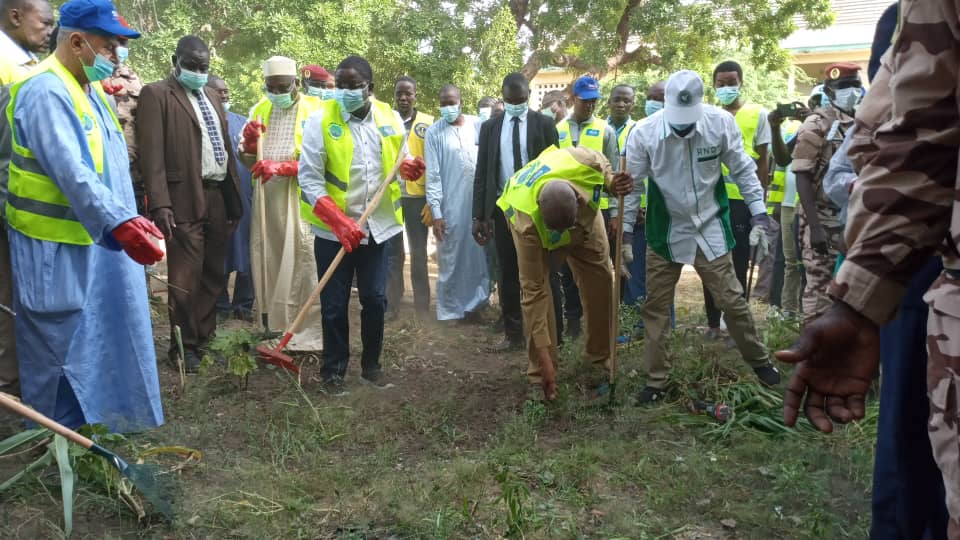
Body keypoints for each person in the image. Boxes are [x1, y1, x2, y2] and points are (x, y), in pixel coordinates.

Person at [776, 0, 959, 535]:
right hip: (915, 260)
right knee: (909, 448)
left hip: (913, 259)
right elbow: (906, 146)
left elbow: (916, 138)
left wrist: (858, 301)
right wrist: (858, 300)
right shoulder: (816, 124)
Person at [6, 0, 165, 430]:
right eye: (109, 47)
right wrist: (121, 223)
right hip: (52, 246)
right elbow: (71, 172)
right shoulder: (44, 90)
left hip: (89, 239)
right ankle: (49, 440)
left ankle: (91, 426)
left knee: (96, 335)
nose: (116, 56)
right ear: (77, 42)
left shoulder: (86, 89)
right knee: (56, 348)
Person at [623, 70, 780, 404]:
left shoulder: (720, 123)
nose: (683, 128)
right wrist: (624, 234)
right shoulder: (644, 133)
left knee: (733, 301)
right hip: (665, 232)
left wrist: (759, 213)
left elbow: (742, 169)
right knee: (656, 308)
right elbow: (633, 186)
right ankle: (656, 381)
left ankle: (760, 362)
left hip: (711, 225)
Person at [298, 55, 422, 394]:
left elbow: (399, 158)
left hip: (377, 227)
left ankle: (372, 368)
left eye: (354, 86)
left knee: (375, 299)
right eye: (341, 85)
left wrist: (408, 168)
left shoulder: (389, 116)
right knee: (335, 304)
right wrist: (339, 222)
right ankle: (333, 373)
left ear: (371, 88)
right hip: (332, 230)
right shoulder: (320, 120)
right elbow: (308, 180)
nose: (346, 92)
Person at [138, 35, 244, 372]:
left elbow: (224, 147)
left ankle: (205, 337)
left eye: (204, 67)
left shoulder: (212, 95)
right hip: (182, 198)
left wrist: (232, 201)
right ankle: (182, 348)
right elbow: (151, 155)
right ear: (176, 60)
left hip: (217, 195)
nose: (198, 72)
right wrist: (160, 205)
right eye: (192, 66)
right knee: (185, 278)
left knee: (214, 272)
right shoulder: (156, 95)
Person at [498, 145, 633, 400]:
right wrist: (545, 355)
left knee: (602, 281)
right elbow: (533, 291)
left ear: (578, 199)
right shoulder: (524, 219)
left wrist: (612, 184)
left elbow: (604, 166)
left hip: (585, 226)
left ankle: (598, 360)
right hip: (538, 235)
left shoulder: (586, 162)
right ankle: (540, 373)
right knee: (539, 293)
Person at [236, 56, 324, 349]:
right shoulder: (260, 109)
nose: (277, 92)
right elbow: (245, 156)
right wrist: (248, 145)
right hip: (267, 196)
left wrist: (286, 168)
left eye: (283, 86)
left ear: (296, 83)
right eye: (271, 87)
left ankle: (304, 331)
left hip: (300, 196)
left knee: (303, 258)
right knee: (268, 257)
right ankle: (271, 325)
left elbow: (326, 160)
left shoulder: (316, 109)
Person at [473, 72, 558, 352]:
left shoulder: (544, 124)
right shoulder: (490, 128)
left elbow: (555, 170)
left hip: (538, 210)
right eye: (510, 100)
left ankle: (550, 335)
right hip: (504, 210)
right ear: (503, 97)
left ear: (529, 95)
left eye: (520, 99)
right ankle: (513, 335)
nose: (515, 104)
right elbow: (483, 173)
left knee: (543, 272)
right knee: (508, 272)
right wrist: (479, 215)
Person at [0, 0, 53, 401]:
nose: (49, 29)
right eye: (45, 21)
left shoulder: (25, 63)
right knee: (10, 316)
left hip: (20, 211)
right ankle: (16, 416)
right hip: (10, 214)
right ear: (16, 16)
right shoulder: (8, 66)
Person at [703, 60, 772, 339]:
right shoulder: (708, 116)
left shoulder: (758, 114)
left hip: (743, 202)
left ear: (741, 82)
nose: (726, 88)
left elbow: (763, 162)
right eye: (720, 84)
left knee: (739, 262)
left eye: (731, 82)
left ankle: (735, 324)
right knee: (709, 258)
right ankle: (711, 323)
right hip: (712, 201)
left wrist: (760, 208)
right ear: (714, 85)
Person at [793, 62, 860, 323]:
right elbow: (802, 176)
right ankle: (812, 353)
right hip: (821, 216)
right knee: (819, 290)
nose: (851, 91)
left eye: (855, 85)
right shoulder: (816, 124)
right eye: (843, 87)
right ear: (830, 91)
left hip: (851, 217)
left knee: (845, 290)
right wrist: (815, 226)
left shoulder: (864, 121)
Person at [556, 76, 619, 338]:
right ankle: (572, 321)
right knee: (567, 269)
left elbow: (613, 173)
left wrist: (614, 213)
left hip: (596, 211)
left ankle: (600, 325)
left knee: (596, 268)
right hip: (562, 209)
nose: (590, 106)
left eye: (594, 101)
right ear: (573, 99)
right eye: (585, 101)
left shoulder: (606, 131)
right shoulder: (557, 128)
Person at [425, 84, 489, 321]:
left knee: (478, 257)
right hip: (449, 206)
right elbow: (432, 175)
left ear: (461, 101)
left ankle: (476, 307)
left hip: (477, 205)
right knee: (450, 256)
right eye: (443, 103)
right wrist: (436, 212)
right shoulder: (434, 133)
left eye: (452, 102)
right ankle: (450, 309)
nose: (448, 107)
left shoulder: (478, 125)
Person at [622, 81, 674, 332]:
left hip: (663, 218)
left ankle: (666, 328)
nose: (654, 103)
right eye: (651, 97)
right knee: (634, 275)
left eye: (660, 98)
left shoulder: (677, 131)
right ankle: (635, 327)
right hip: (637, 217)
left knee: (662, 278)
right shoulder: (638, 130)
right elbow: (632, 178)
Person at [208, 75, 254, 321]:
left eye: (226, 91)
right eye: (218, 91)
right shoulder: (203, 122)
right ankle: (221, 304)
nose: (224, 95)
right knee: (220, 250)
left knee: (248, 249)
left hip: (246, 197)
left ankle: (244, 303)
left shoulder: (243, 123)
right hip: (218, 199)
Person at [387, 75, 433, 318]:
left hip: (418, 197)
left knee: (418, 252)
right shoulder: (387, 120)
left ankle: (422, 306)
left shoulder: (428, 123)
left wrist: (432, 200)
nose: (403, 98)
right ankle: (392, 304)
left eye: (408, 93)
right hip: (393, 196)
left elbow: (434, 162)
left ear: (416, 95)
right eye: (399, 94)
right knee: (393, 253)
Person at [101, 21, 144, 212]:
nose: (120, 48)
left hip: (132, 177)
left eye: (124, 44)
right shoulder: (87, 76)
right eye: (117, 41)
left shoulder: (133, 80)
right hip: (100, 177)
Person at [0, 0, 53, 84]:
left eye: (51, 26)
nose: (51, 32)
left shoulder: (28, 59)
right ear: (15, 18)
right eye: (45, 23)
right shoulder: (3, 61)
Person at [607, 84, 636, 151]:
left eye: (626, 101)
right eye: (616, 100)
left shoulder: (638, 130)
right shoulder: (599, 127)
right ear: (609, 102)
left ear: (632, 105)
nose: (620, 105)